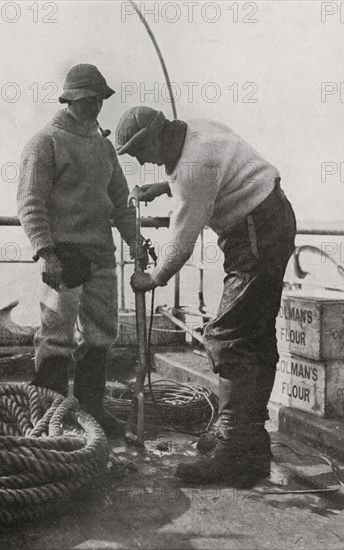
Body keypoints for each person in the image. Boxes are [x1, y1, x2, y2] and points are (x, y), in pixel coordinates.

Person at [115, 106, 296, 484]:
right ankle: (249, 443)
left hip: (256, 231)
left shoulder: (193, 167)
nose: (140, 160)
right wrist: (164, 187)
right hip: (266, 221)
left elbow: (181, 241)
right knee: (253, 334)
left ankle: (236, 452)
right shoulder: (196, 131)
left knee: (230, 337)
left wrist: (154, 277)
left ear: (153, 138)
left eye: (137, 151)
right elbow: (204, 173)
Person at [17, 64, 145, 435]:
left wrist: (135, 239)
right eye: (88, 99)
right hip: (64, 255)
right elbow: (30, 203)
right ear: (70, 99)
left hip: (102, 255)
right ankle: (47, 415)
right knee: (56, 335)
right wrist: (46, 252)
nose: (95, 106)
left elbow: (120, 202)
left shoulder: (104, 146)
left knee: (101, 333)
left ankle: (91, 411)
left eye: (100, 100)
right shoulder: (46, 142)